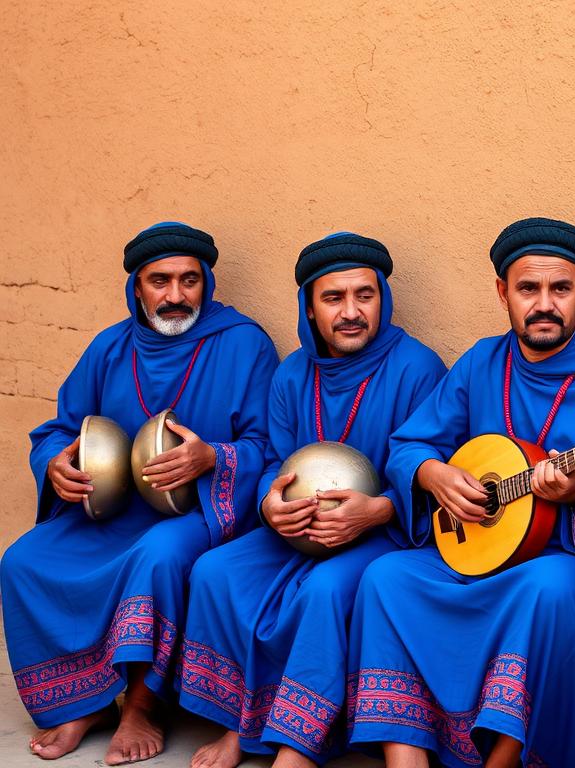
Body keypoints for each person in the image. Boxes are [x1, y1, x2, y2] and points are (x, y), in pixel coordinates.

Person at [347, 217, 575, 768]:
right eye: (528, 288)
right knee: (386, 577)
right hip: (480, 547)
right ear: (503, 293)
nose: (544, 304)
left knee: (545, 589)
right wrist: (433, 474)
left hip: (571, 563)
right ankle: (407, 762)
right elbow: (409, 446)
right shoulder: (481, 362)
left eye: (560, 289)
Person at [1, 222, 278, 764]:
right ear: (137, 288)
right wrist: (54, 463)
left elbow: (268, 445)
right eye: (160, 281)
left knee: (158, 555)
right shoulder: (109, 346)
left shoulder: (245, 343)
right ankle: (88, 701)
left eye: (189, 281)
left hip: (201, 508)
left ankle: (140, 706)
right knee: (21, 559)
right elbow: (60, 429)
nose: (175, 296)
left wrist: (212, 458)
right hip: (113, 510)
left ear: (207, 284)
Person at [179, 232, 446, 768]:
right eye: (334, 298)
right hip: (298, 528)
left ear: (382, 299)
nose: (351, 312)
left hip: (384, 532)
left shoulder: (418, 368)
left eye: (364, 296)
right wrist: (270, 505)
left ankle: (297, 744)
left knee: (324, 589)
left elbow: (430, 464)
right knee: (215, 571)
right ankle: (241, 722)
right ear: (309, 306)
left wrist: (381, 509)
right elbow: (276, 459)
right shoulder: (292, 373)